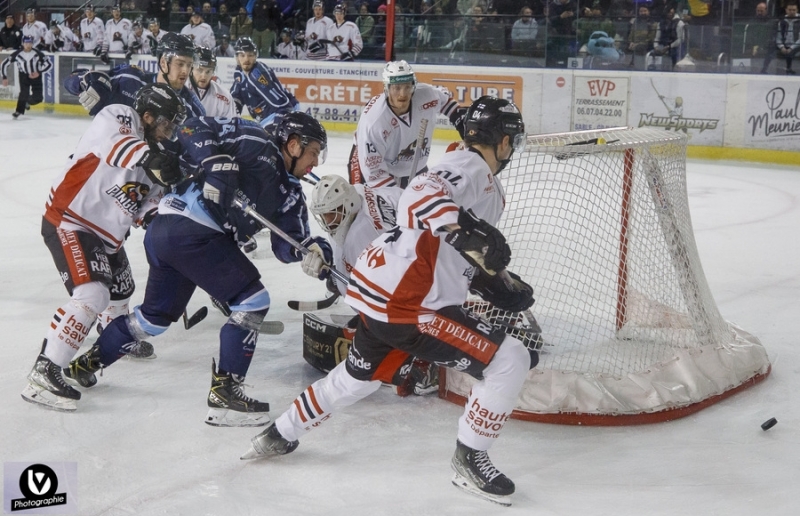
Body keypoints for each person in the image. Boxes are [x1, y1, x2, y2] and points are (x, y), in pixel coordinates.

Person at [241, 96, 537, 507]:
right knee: (511, 359)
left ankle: (279, 433)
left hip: (379, 296)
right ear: (504, 142)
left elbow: (448, 246)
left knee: (355, 379)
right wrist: (465, 230)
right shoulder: (470, 168)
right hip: (409, 306)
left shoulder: (475, 176)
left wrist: (495, 280)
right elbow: (418, 194)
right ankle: (470, 457)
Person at [65, 112, 331, 427]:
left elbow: (286, 245)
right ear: (293, 144)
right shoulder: (255, 140)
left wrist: (314, 251)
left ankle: (87, 364)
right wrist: (216, 161)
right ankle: (226, 396)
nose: (316, 162)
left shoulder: (290, 195)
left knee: (153, 318)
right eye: (314, 151)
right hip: (190, 228)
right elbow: (192, 126)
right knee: (252, 301)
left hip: (171, 235)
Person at [20, 83, 187, 412]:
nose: (170, 132)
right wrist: (153, 158)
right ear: (148, 116)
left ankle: (107, 340)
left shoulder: (156, 157)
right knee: (93, 294)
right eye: (167, 124)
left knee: (122, 288)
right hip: (71, 219)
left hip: (106, 235)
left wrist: (168, 228)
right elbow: (116, 147)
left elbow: (146, 206)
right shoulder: (120, 116)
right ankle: (45, 369)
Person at [349, 60, 467, 189]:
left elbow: (447, 103)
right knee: (368, 204)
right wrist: (395, 198)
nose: (403, 94)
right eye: (397, 88)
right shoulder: (374, 122)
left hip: (414, 165)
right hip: (367, 163)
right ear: (387, 88)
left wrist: (462, 123)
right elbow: (375, 174)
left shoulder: (426, 95)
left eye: (407, 86)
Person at [68, 32, 206, 118]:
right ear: (163, 63)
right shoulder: (129, 78)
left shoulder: (192, 109)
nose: (186, 71)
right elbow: (71, 79)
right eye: (180, 64)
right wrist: (83, 83)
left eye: (189, 65)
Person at [230, 36, 300, 127]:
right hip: (267, 116)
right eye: (242, 55)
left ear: (255, 56)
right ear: (237, 58)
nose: (246, 59)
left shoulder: (258, 75)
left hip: (282, 112)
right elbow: (236, 95)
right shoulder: (239, 72)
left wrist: (277, 126)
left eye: (250, 55)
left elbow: (282, 105)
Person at [2, 34, 52, 119]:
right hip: (24, 75)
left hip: (36, 76)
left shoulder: (38, 53)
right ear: (23, 43)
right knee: (23, 94)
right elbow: (4, 64)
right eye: (26, 43)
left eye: (30, 43)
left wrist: (39, 72)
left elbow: (49, 64)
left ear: (32, 43)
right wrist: (4, 77)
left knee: (38, 98)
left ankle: (26, 102)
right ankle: (18, 111)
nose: (28, 45)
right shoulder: (17, 54)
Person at [189, 46, 237, 117]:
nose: (203, 76)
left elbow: (230, 124)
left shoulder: (224, 96)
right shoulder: (181, 90)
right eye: (200, 70)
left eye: (208, 71)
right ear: (191, 69)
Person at [777, 1, 800, 74]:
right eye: (790, 10)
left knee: (790, 54)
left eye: (794, 10)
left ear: (797, 10)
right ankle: (764, 70)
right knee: (770, 51)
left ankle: (789, 69)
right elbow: (778, 36)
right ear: (786, 10)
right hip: (784, 45)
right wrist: (781, 46)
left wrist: (791, 48)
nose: (792, 12)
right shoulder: (781, 21)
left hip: (797, 45)